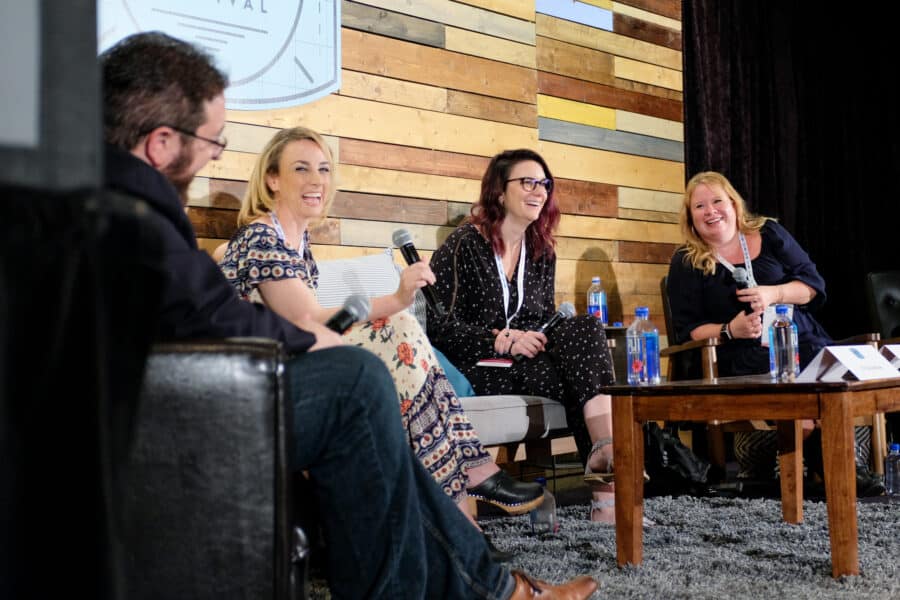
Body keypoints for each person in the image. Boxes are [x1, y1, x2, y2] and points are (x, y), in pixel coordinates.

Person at [100, 32, 597, 599]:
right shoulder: (141, 218)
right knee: (363, 374)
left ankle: (490, 572)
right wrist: (337, 340)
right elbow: (252, 320)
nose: (214, 155)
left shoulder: (127, 209)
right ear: (163, 143)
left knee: (375, 367)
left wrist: (370, 315)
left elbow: (209, 314)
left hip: (202, 385)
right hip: (189, 402)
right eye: (213, 143)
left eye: (324, 170)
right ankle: (487, 552)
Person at [218, 127, 543, 530]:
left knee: (402, 355)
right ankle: (472, 482)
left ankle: (463, 527)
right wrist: (396, 301)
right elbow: (307, 321)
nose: (316, 180)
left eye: (323, 169)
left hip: (297, 364)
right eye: (300, 169)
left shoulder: (297, 245)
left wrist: (399, 298)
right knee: (397, 330)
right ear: (272, 179)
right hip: (257, 379)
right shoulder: (261, 237)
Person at [428, 148, 620, 524]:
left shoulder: (541, 250)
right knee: (574, 379)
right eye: (527, 182)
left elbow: (541, 317)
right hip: (479, 365)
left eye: (544, 184)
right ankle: (607, 495)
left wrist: (533, 335)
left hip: (526, 358)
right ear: (500, 191)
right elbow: (439, 325)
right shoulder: (464, 244)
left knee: (586, 327)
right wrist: (501, 339)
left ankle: (605, 447)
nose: (538, 191)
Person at [666, 171, 882, 493]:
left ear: (734, 205)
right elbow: (688, 330)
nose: (711, 211)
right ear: (691, 217)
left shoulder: (770, 233)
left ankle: (830, 470)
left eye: (717, 201)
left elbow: (813, 287)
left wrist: (774, 294)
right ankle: (841, 474)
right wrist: (729, 330)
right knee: (802, 405)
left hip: (801, 340)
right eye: (700, 206)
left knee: (838, 380)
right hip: (743, 354)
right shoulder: (686, 261)